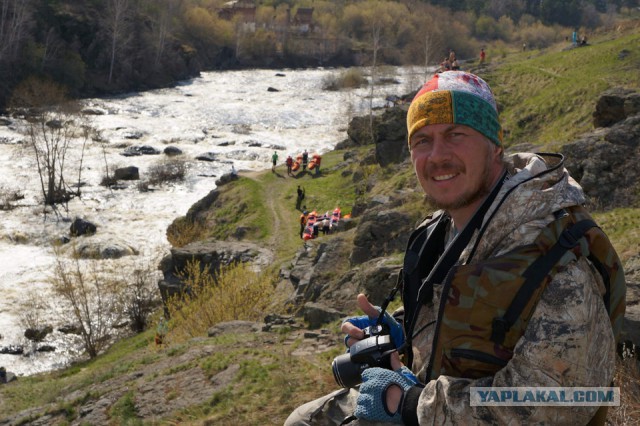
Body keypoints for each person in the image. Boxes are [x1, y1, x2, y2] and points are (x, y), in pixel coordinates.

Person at [285, 71, 625, 425]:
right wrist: (405, 336)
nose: (437, 156)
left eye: (455, 135)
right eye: (422, 140)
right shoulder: (448, 228)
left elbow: (564, 404)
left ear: (495, 144)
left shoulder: (556, 257)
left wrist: (412, 405)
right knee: (304, 420)